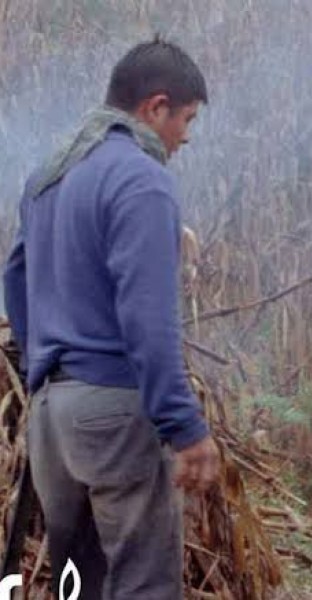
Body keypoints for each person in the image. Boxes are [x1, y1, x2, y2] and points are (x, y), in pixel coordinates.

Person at [3, 38, 221, 599]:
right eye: (186, 119)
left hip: (52, 417)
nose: (186, 137)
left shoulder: (49, 174)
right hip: (112, 413)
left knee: (79, 585)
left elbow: (15, 278)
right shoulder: (142, 179)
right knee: (143, 584)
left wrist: (43, 370)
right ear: (155, 107)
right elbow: (149, 320)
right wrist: (185, 426)